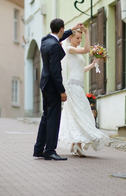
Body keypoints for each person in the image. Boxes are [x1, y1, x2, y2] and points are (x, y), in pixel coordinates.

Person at [33, 19, 83, 161]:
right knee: (54, 119)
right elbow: (56, 71)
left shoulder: (45, 40)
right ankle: (50, 150)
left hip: (44, 84)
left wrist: (71, 29)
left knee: (46, 117)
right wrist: (61, 91)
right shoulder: (55, 45)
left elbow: (58, 37)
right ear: (61, 29)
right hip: (53, 86)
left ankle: (38, 149)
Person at [59, 26, 110, 156]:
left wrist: (92, 65)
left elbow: (80, 70)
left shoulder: (75, 51)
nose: (79, 40)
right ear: (70, 38)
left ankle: (75, 144)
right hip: (73, 86)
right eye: (77, 38)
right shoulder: (70, 49)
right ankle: (77, 143)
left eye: (81, 38)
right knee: (81, 113)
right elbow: (87, 49)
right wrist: (87, 33)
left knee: (80, 113)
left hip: (78, 85)